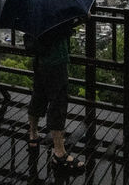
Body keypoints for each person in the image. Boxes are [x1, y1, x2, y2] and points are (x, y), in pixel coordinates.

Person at [26, 19, 84, 173]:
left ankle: (33, 134)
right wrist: (83, 17)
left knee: (38, 95)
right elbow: (62, 29)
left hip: (40, 60)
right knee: (58, 104)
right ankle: (59, 153)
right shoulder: (57, 10)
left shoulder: (35, 7)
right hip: (56, 61)